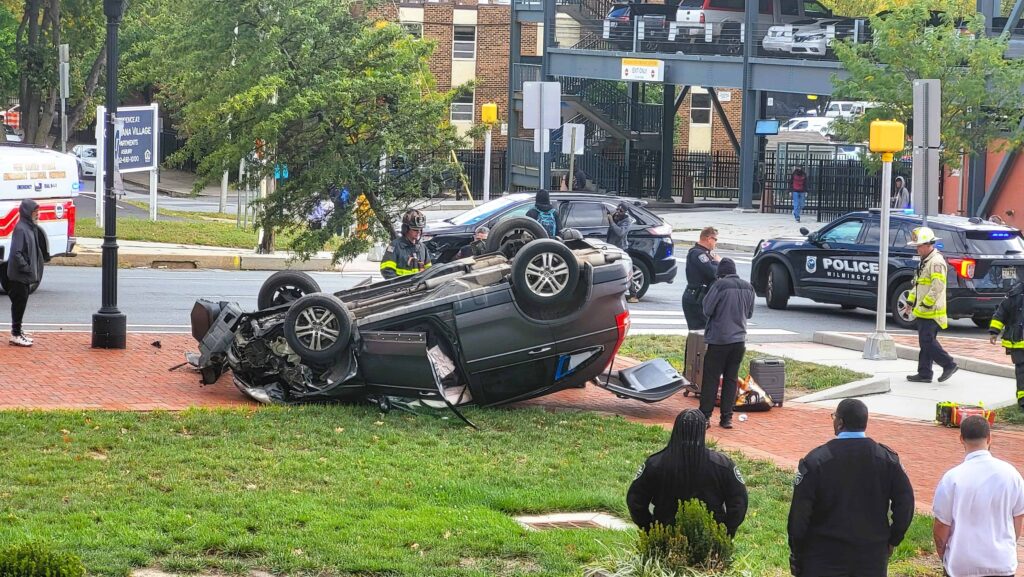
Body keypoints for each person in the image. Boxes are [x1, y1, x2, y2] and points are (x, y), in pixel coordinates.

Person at [787, 399, 915, 577]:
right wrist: (894, 538)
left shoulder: (817, 460)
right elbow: (906, 503)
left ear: (840, 423)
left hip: (824, 556)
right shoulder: (886, 459)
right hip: (871, 556)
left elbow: (799, 515)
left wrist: (797, 552)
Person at [627, 409, 748, 536]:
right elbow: (739, 502)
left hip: (665, 536)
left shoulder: (656, 463)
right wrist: (725, 533)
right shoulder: (722, 464)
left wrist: (650, 530)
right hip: (711, 536)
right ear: (703, 430)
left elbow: (635, 500)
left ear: (676, 428)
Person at [932, 415, 1024, 577]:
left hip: (961, 566)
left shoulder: (952, 478)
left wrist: (943, 555)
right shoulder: (1011, 474)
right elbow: (1018, 519)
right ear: (989, 438)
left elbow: (941, 525)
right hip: (1001, 564)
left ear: (961, 439)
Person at [698, 258, 755, 429]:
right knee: (731, 379)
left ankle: (705, 417)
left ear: (720, 273)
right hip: (739, 341)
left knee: (711, 379)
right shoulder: (748, 287)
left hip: (719, 340)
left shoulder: (720, 285)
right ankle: (726, 418)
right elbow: (750, 313)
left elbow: (707, 309)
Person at [905, 226, 959, 383]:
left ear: (929, 244)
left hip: (932, 312)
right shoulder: (925, 261)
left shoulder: (936, 262)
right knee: (925, 343)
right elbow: (918, 284)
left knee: (927, 342)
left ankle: (949, 364)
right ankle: (924, 373)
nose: (917, 249)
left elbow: (937, 286)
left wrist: (926, 305)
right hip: (923, 310)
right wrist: (910, 301)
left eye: (919, 246)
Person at [7, 199, 46, 347]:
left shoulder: (30, 228)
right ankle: (15, 334)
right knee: (19, 304)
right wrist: (27, 267)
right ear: (28, 213)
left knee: (21, 304)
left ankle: (18, 331)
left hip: (24, 275)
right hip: (19, 276)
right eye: (35, 212)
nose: (37, 214)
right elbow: (17, 253)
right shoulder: (21, 229)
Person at [989, 276, 1024, 410]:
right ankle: (1022, 401)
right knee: (1021, 372)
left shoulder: (1014, 294)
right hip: (1018, 343)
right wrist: (994, 331)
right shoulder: (1014, 296)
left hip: (1017, 342)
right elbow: (1001, 313)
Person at [682, 226, 720, 330]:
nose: (715, 243)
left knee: (704, 331)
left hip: (702, 296)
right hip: (696, 297)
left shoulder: (705, 254)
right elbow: (713, 272)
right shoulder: (698, 254)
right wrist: (717, 262)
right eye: (715, 240)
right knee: (699, 331)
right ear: (709, 239)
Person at [380, 209, 432, 279]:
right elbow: (386, 270)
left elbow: (429, 270)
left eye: (420, 229)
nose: (418, 232)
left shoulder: (422, 248)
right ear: (405, 229)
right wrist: (399, 285)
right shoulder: (395, 246)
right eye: (415, 229)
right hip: (401, 288)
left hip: (419, 288)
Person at [606, 203, 638, 303]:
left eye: (621, 211)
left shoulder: (626, 221)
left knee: (626, 271)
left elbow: (620, 233)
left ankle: (633, 295)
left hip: (621, 249)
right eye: (617, 209)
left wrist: (611, 221)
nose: (618, 212)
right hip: (611, 247)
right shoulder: (615, 217)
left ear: (625, 212)